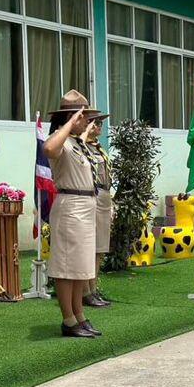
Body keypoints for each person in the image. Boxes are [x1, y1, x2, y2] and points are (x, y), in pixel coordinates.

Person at [43, 90, 103, 338]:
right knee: (67, 268)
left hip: (85, 206)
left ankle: (79, 315)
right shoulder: (62, 140)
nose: (87, 122)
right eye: (84, 117)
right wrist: (69, 123)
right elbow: (48, 148)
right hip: (71, 206)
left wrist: (78, 126)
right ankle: (68, 320)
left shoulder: (77, 142)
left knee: (80, 268)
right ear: (73, 117)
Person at [81, 113, 113, 308]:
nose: (99, 126)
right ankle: (86, 291)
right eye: (95, 122)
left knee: (100, 248)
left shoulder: (98, 148)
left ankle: (94, 288)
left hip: (104, 196)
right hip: (92, 195)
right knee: (89, 248)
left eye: (100, 123)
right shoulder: (81, 146)